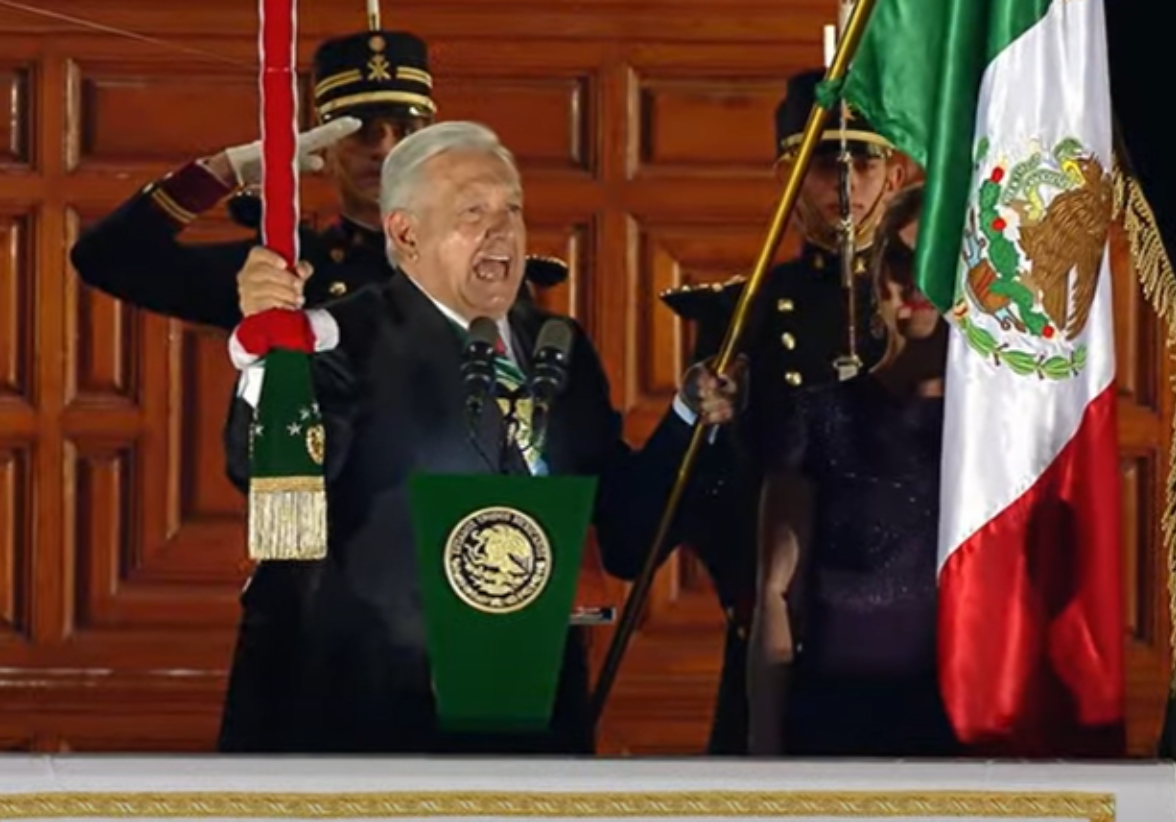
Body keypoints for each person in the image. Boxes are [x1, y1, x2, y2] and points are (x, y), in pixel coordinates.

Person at [218, 120, 744, 754]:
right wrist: (265, 353)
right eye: (474, 211)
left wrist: (686, 420)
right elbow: (263, 474)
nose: (502, 231)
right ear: (405, 232)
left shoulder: (559, 347)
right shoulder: (340, 339)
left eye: (512, 211)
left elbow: (627, 537)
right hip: (377, 721)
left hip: (532, 715)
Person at [656, 67, 908, 755]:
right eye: (829, 161)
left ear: (895, 173)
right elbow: (709, 486)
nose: (849, 180)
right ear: (790, 175)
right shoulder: (748, 313)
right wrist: (750, 594)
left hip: (905, 617)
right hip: (784, 616)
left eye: (866, 160)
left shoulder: (928, 309)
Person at [67, 24, 567, 330]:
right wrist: (228, 170)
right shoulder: (281, 268)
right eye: (363, 132)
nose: (386, 149)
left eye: (405, 130)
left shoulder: (486, 265)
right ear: (325, 151)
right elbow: (107, 259)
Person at [746, 183, 957, 757]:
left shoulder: (993, 437)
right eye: (899, 260)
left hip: (955, 728)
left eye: (935, 262)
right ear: (875, 274)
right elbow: (775, 594)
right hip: (833, 723)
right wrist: (763, 759)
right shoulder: (819, 413)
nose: (913, 283)